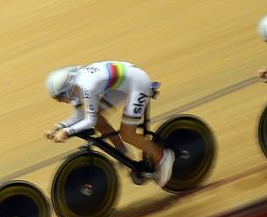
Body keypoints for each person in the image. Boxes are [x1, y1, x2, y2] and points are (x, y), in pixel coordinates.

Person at [44, 61, 175, 186]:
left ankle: (162, 156)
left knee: (127, 134)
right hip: (122, 82)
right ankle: (122, 151)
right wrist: (57, 127)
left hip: (137, 83)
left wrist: (67, 132)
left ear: (67, 89)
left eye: (60, 97)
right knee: (97, 118)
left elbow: (90, 120)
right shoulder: (75, 86)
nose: (60, 101)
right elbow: (79, 116)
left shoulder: (86, 86)